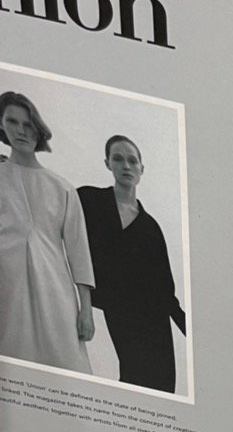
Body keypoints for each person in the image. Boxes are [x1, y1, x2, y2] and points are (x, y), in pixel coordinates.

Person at [78, 134, 185, 393]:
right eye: (118, 159)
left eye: (132, 161)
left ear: (141, 169)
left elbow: (165, 290)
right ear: (108, 164)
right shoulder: (88, 200)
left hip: (154, 318)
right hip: (118, 310)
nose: (126, 166)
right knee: (133, 380)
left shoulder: (151, 227)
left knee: (159, 385)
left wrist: (191, 332)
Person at [0, 91, 96, 373]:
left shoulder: (61, 187)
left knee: (67, 368)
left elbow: (79, 252)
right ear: (1, 125)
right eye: (12, 121)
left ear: (38, 130)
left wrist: (86, 310)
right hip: (8, 291)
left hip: (55, 290)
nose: (21, 130)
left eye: (28, 124)